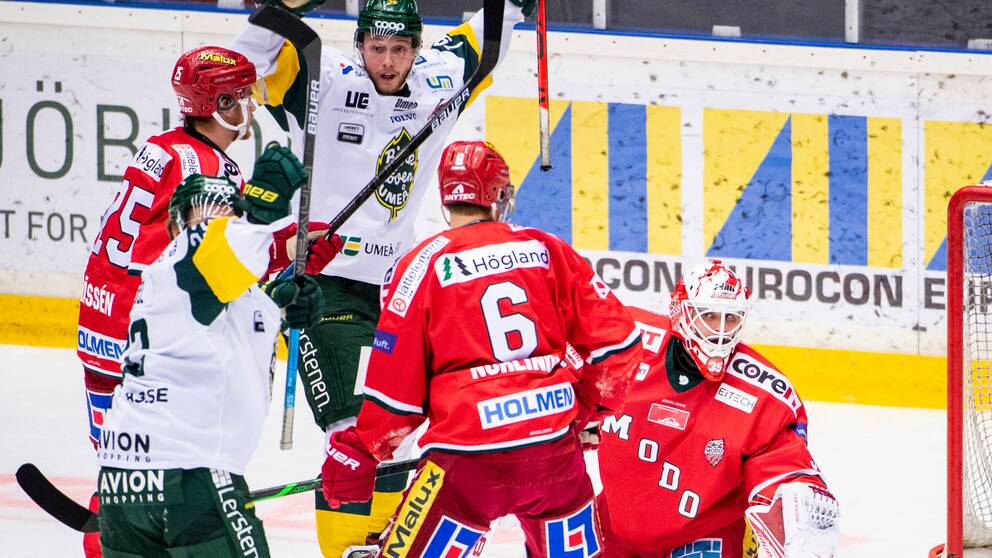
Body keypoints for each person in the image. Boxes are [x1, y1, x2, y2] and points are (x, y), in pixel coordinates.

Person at [233, 0, 535, 554]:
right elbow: (244, 65)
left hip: (399, 291)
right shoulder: (319, 82)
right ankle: (349, 545)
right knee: (353, 432)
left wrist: (514, 5)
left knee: (397, 432)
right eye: (377, 48)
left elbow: (490, 35)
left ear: (417, 51)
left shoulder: (439, 77)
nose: (388, 61)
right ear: (359, 45)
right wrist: (275, 10)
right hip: (322, 285)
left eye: (400, 50)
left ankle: (387, 541)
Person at [318, 141, 643, 557]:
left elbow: (396, 385)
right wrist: (583, 410)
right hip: (554, 456)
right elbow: (620, 345)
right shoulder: (545, 249)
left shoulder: (420, 264)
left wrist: (363, 448)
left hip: (465, 462)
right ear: (499, 195)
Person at [96, 150, 340, 557]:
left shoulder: (196, 283)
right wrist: (261, 213)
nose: (211, 223)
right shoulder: (190, 257)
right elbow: (221, 255)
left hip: (123, 483)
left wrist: (280, 305)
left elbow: (228, 316)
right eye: (201, 215)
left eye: (222, 212)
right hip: (189, 475)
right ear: (178, 228)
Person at [76, 44, 260, 558]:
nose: (250, 105)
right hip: (144, 332)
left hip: (98, 320)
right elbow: (214, 265)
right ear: (219, 103)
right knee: (171, 470)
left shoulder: (162, 146)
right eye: (242, 95)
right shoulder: (210, 170)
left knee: (121, 469)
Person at [594, 260, 840, 558]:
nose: (719, 331)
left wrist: (796, 496)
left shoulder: (764, 394)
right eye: (708, 315)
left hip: (705, 535)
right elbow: (566, 354)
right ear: (680, 312)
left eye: (730, 318)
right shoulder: (626, 346)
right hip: (614, 525)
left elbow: (784, 466)